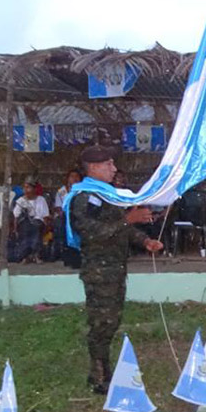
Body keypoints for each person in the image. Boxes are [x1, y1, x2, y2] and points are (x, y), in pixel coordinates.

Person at [67, 146, 163, 394]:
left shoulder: (107, 195)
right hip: (99, 272)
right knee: (101, 323)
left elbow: (122, 229)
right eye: (108, 164)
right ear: (93, 168)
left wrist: (145, 241)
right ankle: (99, 376)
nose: (114, 169)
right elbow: (90, 232)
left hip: (114, 269)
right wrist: (128, 219)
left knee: (111, 321)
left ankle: (103, 371)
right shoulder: (84, 197)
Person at [10, 176, 50, 263]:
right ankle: (26, 255)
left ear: (34, 189)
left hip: (38, 224)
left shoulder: (41, 200)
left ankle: (35, 254)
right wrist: (15, 229)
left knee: (35, 227)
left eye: (28, 187)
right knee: (26, 227)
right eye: (24, 187)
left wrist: (46, 228)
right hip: (24, 224)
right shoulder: (20, 201)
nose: (26, 190)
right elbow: (16, 217)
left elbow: (45, 217)